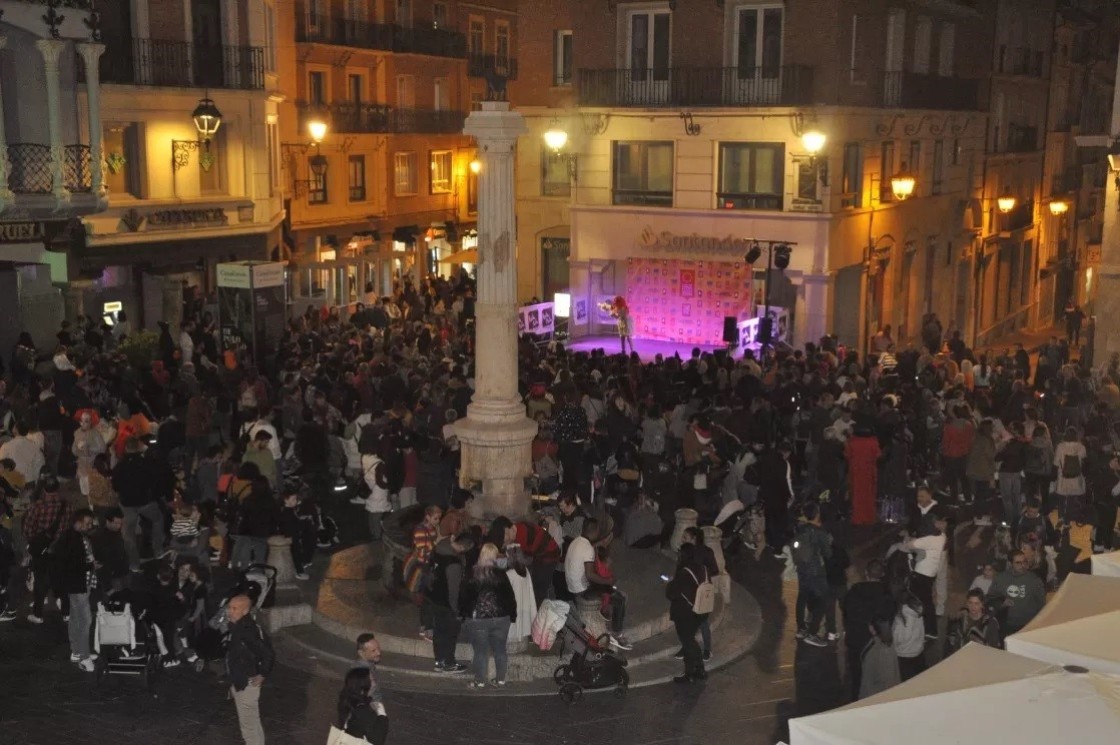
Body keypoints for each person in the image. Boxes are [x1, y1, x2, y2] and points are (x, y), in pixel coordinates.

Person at [564, 517, 631, 650]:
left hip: (571, 587)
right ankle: (616, 632)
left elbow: (588, 550)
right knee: (620, 598)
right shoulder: (588, 548)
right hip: (582, 589)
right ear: (595, 531)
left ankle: (606, 615)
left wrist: (599, 543)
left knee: (608, 588)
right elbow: (590, 575)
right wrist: (608, 581)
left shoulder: (576, 541)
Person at [460, 543, 516, 688]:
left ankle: (480, 681)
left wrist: (463, 614)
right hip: (501, 618)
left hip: (478, 619)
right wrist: (513, 614)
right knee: (500, 650)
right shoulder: (501, 574)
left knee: (480, 651)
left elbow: (464, 597)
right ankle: (500, 679)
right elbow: (509, 596)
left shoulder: (471, 573)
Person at [53, 508, 99, 671]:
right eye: (86, 523)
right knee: (85, 620)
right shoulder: (73, 538)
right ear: (78, 522)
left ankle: (77, 650)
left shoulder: (72, 536)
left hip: (78, 584)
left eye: (90, 524)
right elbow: (73, 564)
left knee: (75, 618)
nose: (89, 526)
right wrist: (89, 565)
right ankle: (85, 658)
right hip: (77, 585)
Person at [842, 560, 894, 699]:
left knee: (857, 677)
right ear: (882, 574)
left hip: (855, 641)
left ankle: (856, 701)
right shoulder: (886, 594)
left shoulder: (854, 590)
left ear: (866, 573)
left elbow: (846, 612)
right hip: (874, 643)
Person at [226, 594, 273, 745]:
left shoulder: (247, 631)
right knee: (253, 721)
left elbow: (268, 653)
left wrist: (262, 674)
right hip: (241, 680)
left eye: (234, 608)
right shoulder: (238, 626)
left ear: (245, 611)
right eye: (229, 607)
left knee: (248, 726)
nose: (230, 611)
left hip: (247, 684)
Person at [22, 477, 70, 623]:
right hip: (60, 548)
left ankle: (38, 614)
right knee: (60, 579)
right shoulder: (66, 505)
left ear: (43, 490)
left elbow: (27, 531)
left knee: (41, 581)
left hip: (41, 550)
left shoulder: (36, 506)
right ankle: (66, 613)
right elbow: (67, 527)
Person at [112, 437, 166, 570]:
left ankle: (134, 563)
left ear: (126, 449)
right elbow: (154, 481)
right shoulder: (145, 463)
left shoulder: (120, 466)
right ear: (138, 447)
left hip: (127, 505)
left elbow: (115, 486)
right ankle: (158, 549)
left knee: (128, 534)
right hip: (145, 502)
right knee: (158, 519)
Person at [490, 515, 561, 608]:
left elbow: (522, 562)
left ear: (507, 530)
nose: (505, 544)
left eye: (504, 541)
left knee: (540, 587)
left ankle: (540, 613)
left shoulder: (521, 534)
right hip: (538, 555)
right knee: (534, 583)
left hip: (549, 556)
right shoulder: (516, 530)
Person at [426, 532, 472, 673]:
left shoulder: (437, 552)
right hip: (447, 604)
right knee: (450, 634)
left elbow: (429, 575)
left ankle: (439, 661)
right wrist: (456, 610)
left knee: (439, 632)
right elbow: (454, 590)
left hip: (435, 599)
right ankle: (449, 663)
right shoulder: (453, 563)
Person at [899, 509, 947, 637]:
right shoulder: (941, 537)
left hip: (921, 574)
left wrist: (907, 537)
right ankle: (928, 629)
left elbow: (908, 545)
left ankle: (928, 630)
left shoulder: (928, 540)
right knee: (926, 601)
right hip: (930, 575)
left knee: (920, 601)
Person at [792, 501, 833, 647]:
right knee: (824, 599)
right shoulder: (820, 532)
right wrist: (828, 542)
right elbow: (828, 554)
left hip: (802, 569)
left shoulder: (801, 529)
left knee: (802, 597)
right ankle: (812, 633)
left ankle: (801, 629)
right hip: (815, 571)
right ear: (817, 514)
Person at [986, 550, 1046, 635]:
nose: (1022, 565)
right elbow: (990, 598)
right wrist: (1002, 603)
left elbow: (1042, 603)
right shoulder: (1000, 578)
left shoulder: (1034, 580)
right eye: (1018, 563)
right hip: (1007, 624)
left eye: (1024, 562)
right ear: (1010, 564)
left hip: (1029, 625)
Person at [336, 667, 388, 745]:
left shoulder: (347, 701)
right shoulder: (363, 711)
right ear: (363, 686)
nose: (374, 683)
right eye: (372, 680)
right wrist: (382, 714)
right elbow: (377, 740)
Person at [845, 424, 881, 526]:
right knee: (869, 494)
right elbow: (878, 455)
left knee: (857, 494)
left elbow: (847, 455)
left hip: (856, 471)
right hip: (869, 471)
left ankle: (858, 517)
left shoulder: (852, 441)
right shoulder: (873, 441)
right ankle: (869, 516)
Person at [946, 588, 1001, 654]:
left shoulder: (990, 622)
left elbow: (994, 648)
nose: (973, 606)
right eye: (970, 603)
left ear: (982, 604)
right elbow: (955, 643)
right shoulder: (961, 619)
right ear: (967, 603)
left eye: (976, 603)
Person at [859, 616, 900, 699]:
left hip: (877, 697)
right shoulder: (889, 644)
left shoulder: (877, 651)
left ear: (872, 629)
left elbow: (869, 682)